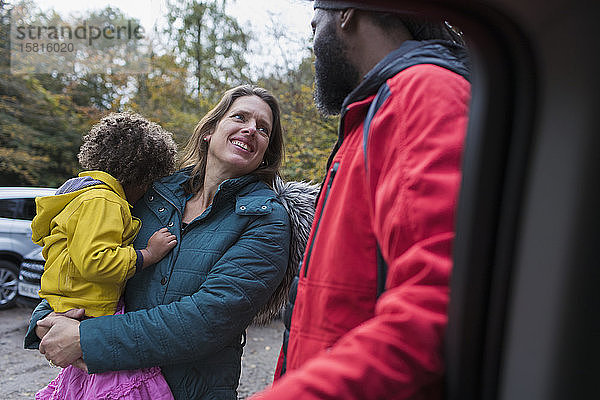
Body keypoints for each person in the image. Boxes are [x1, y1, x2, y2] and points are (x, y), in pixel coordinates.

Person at [25, 85, 317, 400]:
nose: (251, 129)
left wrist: (88, 340)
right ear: (210, 130)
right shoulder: (153, 195)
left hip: (190, 391)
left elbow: (210, 317)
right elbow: (82, 255)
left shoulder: (266, 219)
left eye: (263, 129)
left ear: (265, 154)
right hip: (107, 386)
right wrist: (47, 317)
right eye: (240, 117)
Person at [252, 2, 471, 399]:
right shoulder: (371, 114)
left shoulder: (420, 93)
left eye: (315, 25)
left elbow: (439, 301)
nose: (311, 41)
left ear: (347, 15)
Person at [31, 112, 178, 399]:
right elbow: (95, 261)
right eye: (149, 183)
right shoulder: (104, 200)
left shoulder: (82, 194)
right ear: (140, 176)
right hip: (89, 308)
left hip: (71, 303)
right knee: (120, 385)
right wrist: (147, 254)